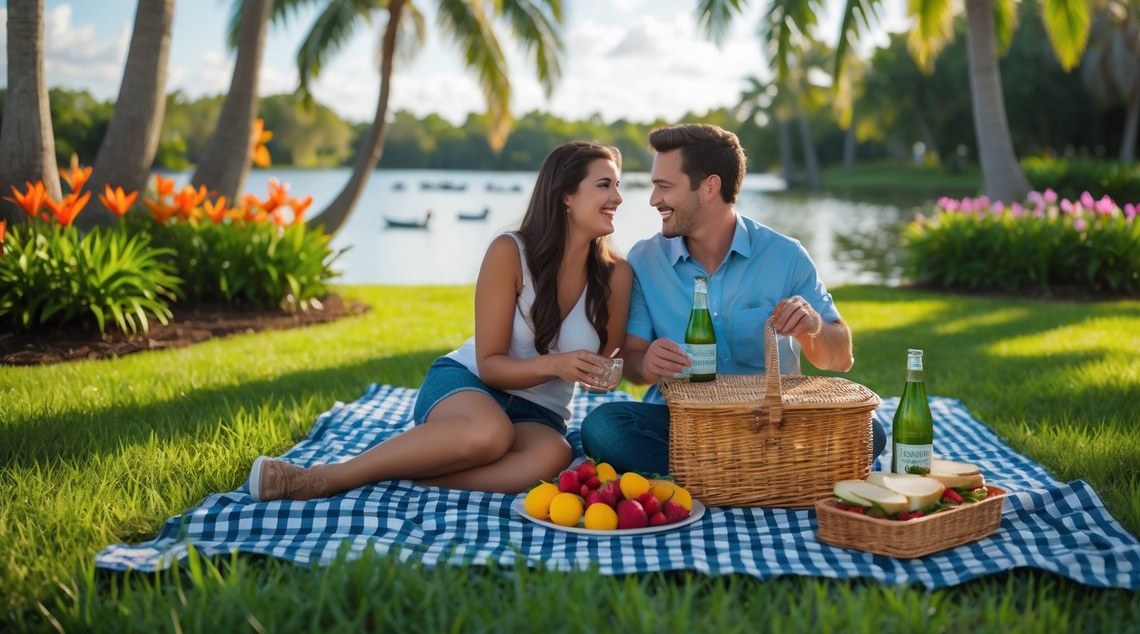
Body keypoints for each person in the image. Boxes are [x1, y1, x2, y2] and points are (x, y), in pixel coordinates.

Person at [249, 141, 632, 500]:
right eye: (604, 185)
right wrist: (557, 364)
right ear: (565, 195)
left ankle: (415, 475)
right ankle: (326, 478)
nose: (617, 197)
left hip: (541, 415)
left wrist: (602, 374)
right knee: (490, 433)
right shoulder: (510, 252)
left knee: (553, 456)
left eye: (617, 185)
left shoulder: (617, 275)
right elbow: (491, 366)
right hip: (469, 384)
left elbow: (608, 363)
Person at [580, 123, 886, 474]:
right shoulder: (646, 260)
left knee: (869, 431)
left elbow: (841, 358)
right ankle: (772, 475)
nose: (653, 200)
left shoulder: (786, 256)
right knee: (603, 426)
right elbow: (633, 364)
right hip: (683, 424)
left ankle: (707, 475)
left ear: (710, 187)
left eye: (664, 187)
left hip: (775, 424)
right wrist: (646, 362)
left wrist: (812, 326)